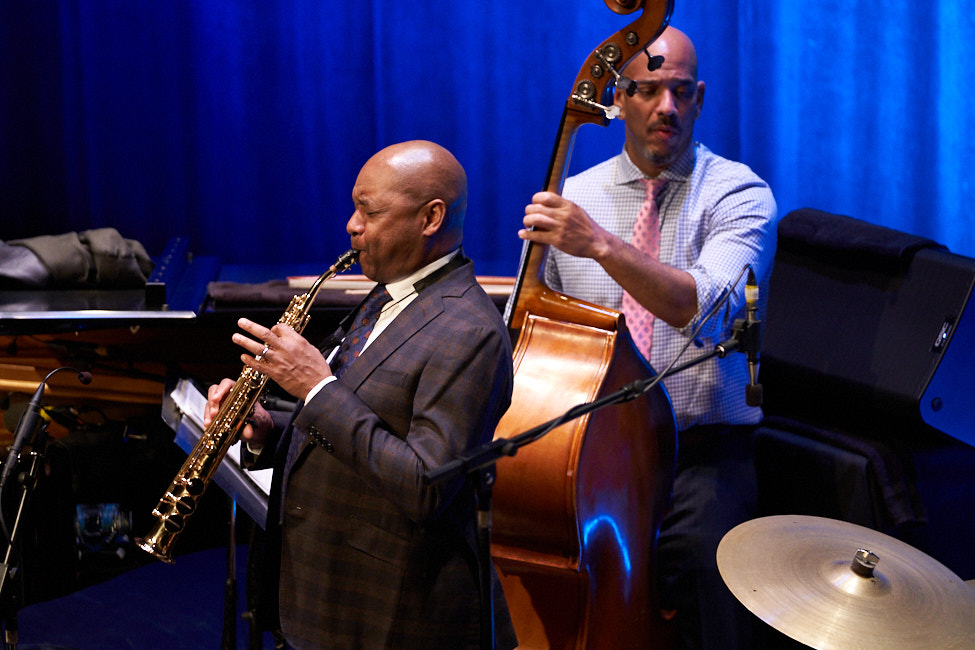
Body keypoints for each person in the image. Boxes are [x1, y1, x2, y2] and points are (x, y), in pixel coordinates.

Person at [519, 27, 779, 649]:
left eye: (682, 92)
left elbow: (711, 310)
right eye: (649, 90)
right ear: (617, 96)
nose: (667, 107)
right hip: (589, 453)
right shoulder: (574, 199)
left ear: (700, 97)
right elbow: (534, 340)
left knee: (708, 586)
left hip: (701, 453)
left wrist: (603, 247)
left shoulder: (738, 194)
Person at [204, 140, 517, 649]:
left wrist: (315, 385)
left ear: (431, 217)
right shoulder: (384, 297)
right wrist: (266, 430)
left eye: (369, 211)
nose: (352, 224)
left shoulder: (470, 329)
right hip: (319, 601)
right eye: (355, 208)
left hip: (395, 618)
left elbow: (424, 484)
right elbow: (357, 424)